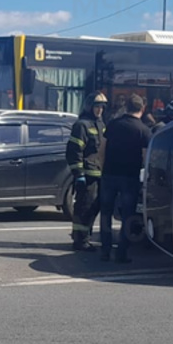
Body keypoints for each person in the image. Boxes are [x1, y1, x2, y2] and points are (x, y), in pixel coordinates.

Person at [99, 93, 153, 263]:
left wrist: (104, 168)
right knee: (128, 215)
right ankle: (121, 252)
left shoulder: (113, 124)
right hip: (130, 177)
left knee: (106, 213)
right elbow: (146, 158)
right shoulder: (144, 130)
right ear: (142, 109)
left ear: (126, 108)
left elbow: (102, 149)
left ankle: (105, 250)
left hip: (109, 174)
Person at [65, 92, 108, 251]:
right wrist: (79, 175)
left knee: (93, 208)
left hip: (99, 174)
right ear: (90, 106)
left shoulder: (101, 124)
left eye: (102, 107)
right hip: (87, 175)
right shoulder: (82, 125)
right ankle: (80, 241)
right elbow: (74, 152)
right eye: (97, 106)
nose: (99, 110)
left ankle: (85, 237)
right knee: (84, 208)